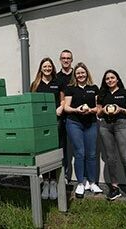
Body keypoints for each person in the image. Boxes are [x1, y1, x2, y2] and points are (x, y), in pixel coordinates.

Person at [97, 69, 126, 202]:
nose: (110, 80)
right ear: (105, 81)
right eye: (107, 78)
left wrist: (121, 109)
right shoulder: (102, 94)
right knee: (110, 158)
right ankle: (114, 188)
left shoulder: (125, 93)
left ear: (117, 79)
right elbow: (98, 113)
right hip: (105, 126)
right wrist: (103, 110)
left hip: (121, 125)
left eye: (112, 78)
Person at [64, 62, 103, 198]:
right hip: (74, 123)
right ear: (75, 75)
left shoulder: (94, 88)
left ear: (87, 73)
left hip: (91, 123)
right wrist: (77, 109)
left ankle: (92, 182)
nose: (80, 75)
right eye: (78, 73)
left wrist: (91, 110)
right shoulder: (70, 88)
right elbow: (66, 107)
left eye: (83, 72)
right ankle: (80, 183)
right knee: (80, 153)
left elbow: (99, 108)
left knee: (92, 153)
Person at [30, 57, 64, 200]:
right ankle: (45, 182)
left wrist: (60, 108)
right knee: (44, 151)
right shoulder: (35, 84)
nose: (47, 68)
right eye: (45, 66)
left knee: (54, 151)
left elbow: (62, 100)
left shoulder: (58, 83)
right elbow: (31, 102)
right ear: (41, 68)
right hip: (41, 123)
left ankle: (54, 182)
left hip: (55, 120)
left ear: (52, 68)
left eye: (49, 66)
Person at [56, 50, 74, 184]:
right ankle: (64, 175)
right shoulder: (57, 77)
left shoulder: (78, 74)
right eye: (63, 58)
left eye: (68, 58)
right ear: (60, 60)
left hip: (77, 117)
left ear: (71, 60)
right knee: (62, 146)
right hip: (62, 117)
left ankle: (83, 178)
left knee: (79, 148)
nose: (66, 60)